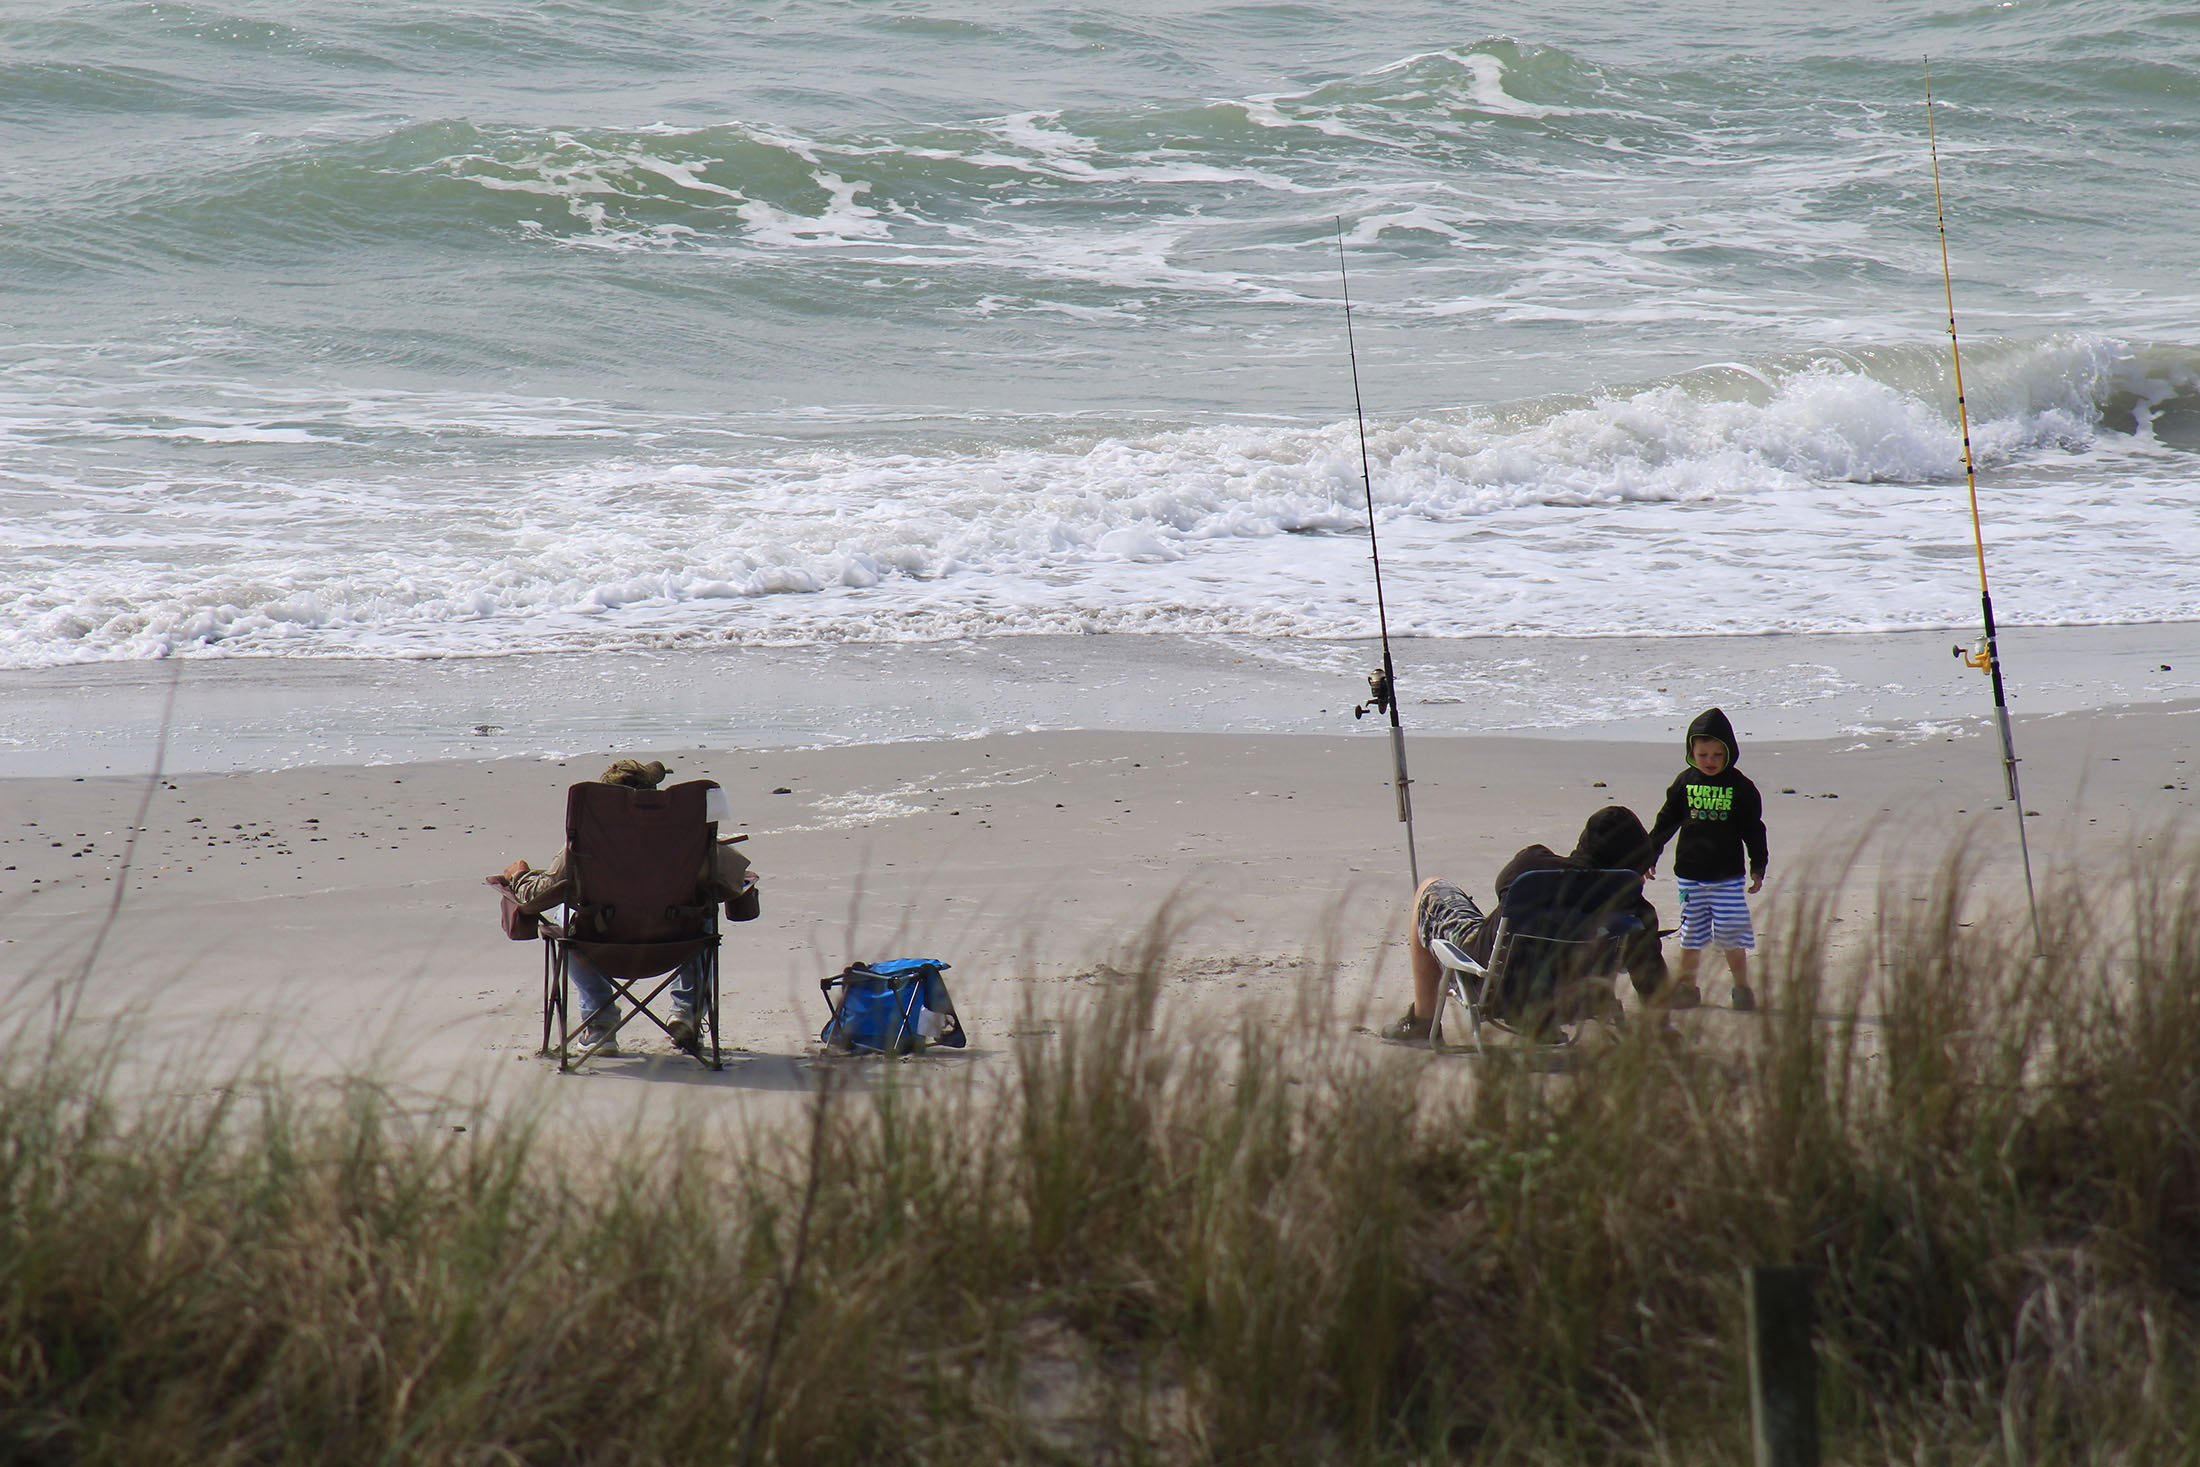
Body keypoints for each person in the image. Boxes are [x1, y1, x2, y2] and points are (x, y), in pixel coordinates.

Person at [493, 758, 755, 1055]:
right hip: (675, 943)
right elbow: (734, 880)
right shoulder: (688, 843)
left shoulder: (585, 844)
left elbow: (538, 895)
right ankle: (687, 1015)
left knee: (563, 914)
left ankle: (600, 1024)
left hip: (602, 944)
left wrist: (519, 876)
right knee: (700, 910)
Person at [1383, 805, 1670, 1043]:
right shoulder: (1634, 908)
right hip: (1575, 1001)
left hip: (1500, 991)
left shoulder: (1533, 867)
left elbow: (1502, 888)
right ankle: (1542, 1025)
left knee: (1430, 889)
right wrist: (1661, 1030)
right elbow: (1652, 978)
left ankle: (1422, 1022)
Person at [1646, 708, 1768, 1011]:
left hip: (1727, 878)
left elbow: (1753, 829)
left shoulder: (1741, 787)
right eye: (1703, 755)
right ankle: (1687, 988)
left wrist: (1758, 866)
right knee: (1691, 936)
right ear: (1692, 753)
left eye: (1717, 754)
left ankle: (1741, 988)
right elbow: (1665, 823)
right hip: (1690, 876)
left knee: (1731, 936)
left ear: (1729, 753)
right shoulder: (1684, 782)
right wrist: (1649, 854)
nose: (1710, 761)